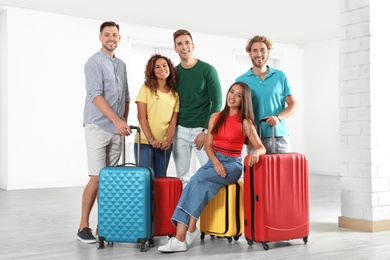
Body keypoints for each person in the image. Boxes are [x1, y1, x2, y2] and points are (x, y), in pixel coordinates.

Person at [158, 82, 266, 253]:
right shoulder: (215, 117)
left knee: (196, 178)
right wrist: (215, 163)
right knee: (203, 185)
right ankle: (191, 229)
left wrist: (256, 154)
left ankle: (180, 236)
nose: (233, 96)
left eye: (238, 95)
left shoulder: (245, 122)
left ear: (243, 100)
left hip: (232, 165)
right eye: (231, 92)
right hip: (214, 161)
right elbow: (208, 146)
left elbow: (261, 147)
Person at [78, 21, 131, 244]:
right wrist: (116, 120)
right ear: (100, 37)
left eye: (115, 35)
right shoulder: (93, 62)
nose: (111, 38)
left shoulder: (121, 65)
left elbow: (126, 98)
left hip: (116, 129)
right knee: (97, 178)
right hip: (97, 126)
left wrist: (123, 122)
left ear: (119, 38)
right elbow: (95, 95)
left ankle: (106, 224)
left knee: (110, 180)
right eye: (107, 34)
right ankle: (83, 227)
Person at [172, 29, 223, 186]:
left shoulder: (207, 70)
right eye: (179, 44)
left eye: (187, 42)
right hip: (179, 131)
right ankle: (188, 210)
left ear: (193, 46)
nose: (184, 46)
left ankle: (210, 210)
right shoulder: (173, 73)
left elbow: (217, 102)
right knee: (182, 176)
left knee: (212, 172)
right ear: (175, 49)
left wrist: (206, 131)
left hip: (202, 130)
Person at [236, 35, 297, 154]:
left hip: (279, 135)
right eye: (255, 50)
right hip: (255, 137)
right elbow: (237, 110)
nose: (259, 54)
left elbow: (293, 104)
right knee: (258, 173)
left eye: (263, 50)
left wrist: (278, 117)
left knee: (284, 172)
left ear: (268, 52)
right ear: (249, 53)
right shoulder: (241, 80)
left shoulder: (280, 76)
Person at [134, 54, 179, 177]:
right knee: (145, 178)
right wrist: (151, 139)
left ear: (169, 68)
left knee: (160, 179)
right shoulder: (146, 88)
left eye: (165, 65)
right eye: (157, 67)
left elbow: (173, 121)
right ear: (152, 71)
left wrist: (168, 140)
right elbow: (141, 116)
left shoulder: (174, 94)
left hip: (164, 144)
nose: (162, 69)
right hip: (144, 141)